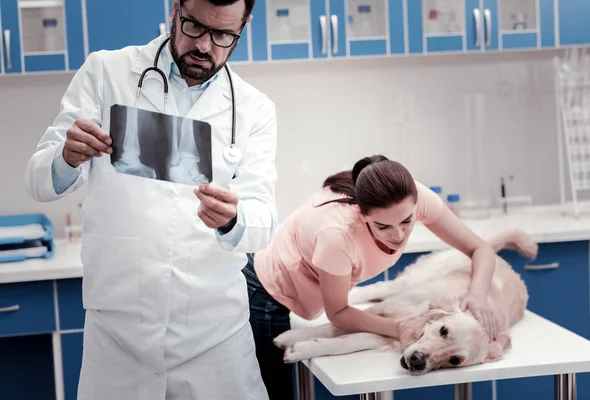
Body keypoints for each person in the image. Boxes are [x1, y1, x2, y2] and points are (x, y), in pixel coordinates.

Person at [24, 0, 278, 399]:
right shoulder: (106, 73)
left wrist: (233, 218)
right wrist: (67, 156)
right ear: (175, 9)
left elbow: (263, 221)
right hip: (120, 336)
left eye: (225, 35)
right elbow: (38, 181)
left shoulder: (255, 109)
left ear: (245, 25)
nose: (206, 47)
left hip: (215, 340)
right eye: (195, 27)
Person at [244, 155, 498, 399]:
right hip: (263, 289)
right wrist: (400, 328)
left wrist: (478, 295)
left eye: (407, 221)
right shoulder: (338, 235)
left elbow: (480, 249)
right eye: (383, 227)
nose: (399, 235)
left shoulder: (412, 196)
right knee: (273, 392)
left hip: (298, 287)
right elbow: (339, 313)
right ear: (363, 216)